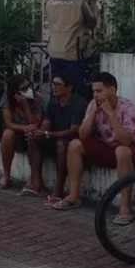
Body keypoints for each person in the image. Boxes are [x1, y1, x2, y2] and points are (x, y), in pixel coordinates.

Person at [52, 72, 135, 224]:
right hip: (108, 149)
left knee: (121, 150)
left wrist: (111, 115)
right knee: (75, 145)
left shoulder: (128, 108)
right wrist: (94, 113)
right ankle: (73, 196)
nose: (96, 95)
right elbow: (82, 135)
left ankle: (125, 208)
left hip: (131, 152)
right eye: (94, 91)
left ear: (112, 90)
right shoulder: (92, 105)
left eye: (99, 91)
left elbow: (125, 141)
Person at [32, 71, 88, 204]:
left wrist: (47, 134)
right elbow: (46, 123)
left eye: (58, 84)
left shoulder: (79, 103)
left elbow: (74, 130)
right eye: (53, 84)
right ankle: (35, 181)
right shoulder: (53, 101)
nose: (54, 87)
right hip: (54, 136)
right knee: (32, 139)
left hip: (70, 139)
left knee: (62, 145)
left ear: (69, 87)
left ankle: (58, 188)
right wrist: (39, 132)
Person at [45, 0, 98, 97]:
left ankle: (55, 112)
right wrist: (93, 2)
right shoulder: (80, 2)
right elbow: (92, 22)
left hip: (54, 53)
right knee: (75, 92)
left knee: (56, 88)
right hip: (73, 55)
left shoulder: (50, 3)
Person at [0, 74, 44, 195]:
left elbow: (34, 123)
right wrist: (24, 128)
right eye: (24, 89)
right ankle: (6, 175)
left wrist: (25, 105)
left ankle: (33, 178)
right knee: (7, 134)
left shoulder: (36, 99)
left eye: (29, 86)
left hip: (32, 134)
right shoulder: (7, 98)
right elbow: (8, 123)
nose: (28, 90)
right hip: (17, 133)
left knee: (31, 135)